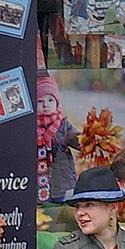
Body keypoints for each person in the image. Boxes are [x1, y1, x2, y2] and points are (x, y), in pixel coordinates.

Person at [36, 75, 79, 204]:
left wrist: (84, 140)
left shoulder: (63, 124)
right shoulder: (31, 126)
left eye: (50, 100)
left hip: (63, 180)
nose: (45, 105)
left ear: (57, 102)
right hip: (38, 182)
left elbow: (79, 142)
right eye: (40, 101)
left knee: (62, 207)